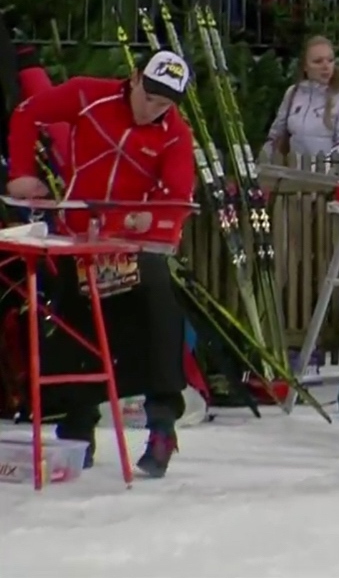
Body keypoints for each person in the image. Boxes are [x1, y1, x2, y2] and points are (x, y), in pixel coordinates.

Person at [6, 50, 197, 478]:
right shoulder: (87, 95)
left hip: (131, 243)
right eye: (149, 97)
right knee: (71, 313)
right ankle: (77, 427)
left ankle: (162, 423)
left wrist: (153, 218)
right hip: (77, 236)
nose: (153, 110)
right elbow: (26, 113)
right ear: (134, 79)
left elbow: (179, 197)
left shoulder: (175, 135)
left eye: (165, 104)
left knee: (157, 301)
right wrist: (20, 172)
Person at [260, 36, 339, 159]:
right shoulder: (293, 93)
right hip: (293, 173)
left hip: (328, 174)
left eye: (330, 60)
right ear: (305, 66)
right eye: (318, 61)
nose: (326, 66)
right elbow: (275, 136)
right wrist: (263, 160)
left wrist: (325, 167)